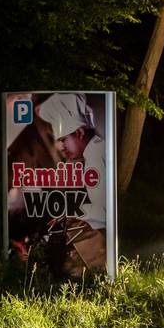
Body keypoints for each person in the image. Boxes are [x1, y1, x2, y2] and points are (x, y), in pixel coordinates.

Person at [37, 93, 106, 275]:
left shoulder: (97, 154)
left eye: (62, 139)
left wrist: (68, 214)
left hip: (96, 247)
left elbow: (102, 212)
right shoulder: (84, 155)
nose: (60, 147)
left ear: (80, 132)